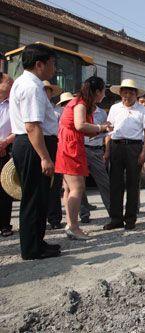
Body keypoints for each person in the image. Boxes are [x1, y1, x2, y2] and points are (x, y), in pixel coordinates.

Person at [9, 43, 61, 259]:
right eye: (52, 64)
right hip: (33, 146)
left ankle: (37, 242)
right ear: (40, 64)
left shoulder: (26, 83)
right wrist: (45, 157)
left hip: (32, 144)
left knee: (39, 197)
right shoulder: (31, 87)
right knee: (33, 198)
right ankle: (31, 248)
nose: (54, 69)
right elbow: (32, 126)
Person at [55, 76, 109, 240]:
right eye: (103, 92)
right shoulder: (80, 103)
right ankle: (73, 226)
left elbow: (81, 128)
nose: (104, 96)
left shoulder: (81, 102)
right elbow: (79, 125)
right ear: (97, 91)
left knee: (69, 188)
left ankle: (70, 224)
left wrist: (99, 131)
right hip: (71, 147)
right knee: (77, 188)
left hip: (69, 145)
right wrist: (100, 127)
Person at [103, 79, 145, 230]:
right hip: (116, 146)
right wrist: (107, 150)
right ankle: (116, 219)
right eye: (124, 92)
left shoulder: (142, 110)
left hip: (134, 148)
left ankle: (130, 219)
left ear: (136, 94)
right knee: (115, 184)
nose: (127, 95)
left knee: (132, 184)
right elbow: (108, 130)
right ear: (120, 93)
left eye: (131, 92)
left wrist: (143, 152)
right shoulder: (114, 108)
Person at [79, 104, 112, 224]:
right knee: (80, 185)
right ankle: (84, 213)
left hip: (97, 150)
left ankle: (112, 212)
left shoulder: (102, 112)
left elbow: (107, 132)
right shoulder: (80, 109)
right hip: (81, 149)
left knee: (104, 183)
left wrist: (106, 150)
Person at [42, 80, 64, 230]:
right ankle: (39, 218)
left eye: (47, 90)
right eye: (42, 90)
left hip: (54, 144)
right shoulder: (32, 106)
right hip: (37, 145)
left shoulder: (57, 111)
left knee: (55, 184)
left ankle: (54, 218)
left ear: (51, 93)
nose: (45, 93)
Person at [0, 72, 15, 237]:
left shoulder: (13, 105)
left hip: (6, 150)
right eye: (8, 82)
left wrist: (5, 143)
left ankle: (5, 224)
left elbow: (20, 128)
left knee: (5, 189)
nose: (12, 85)